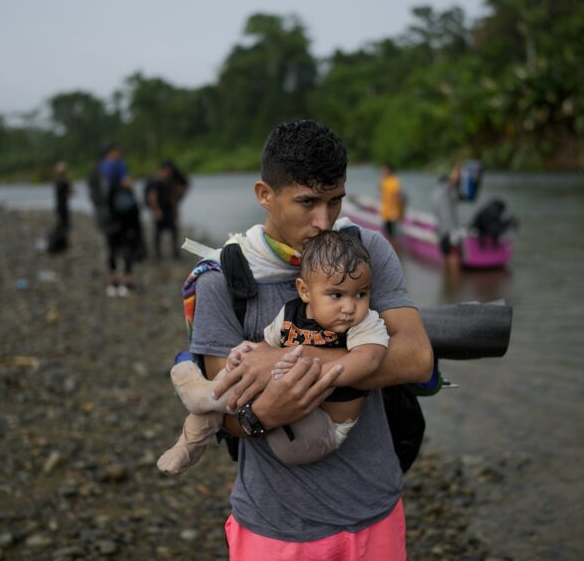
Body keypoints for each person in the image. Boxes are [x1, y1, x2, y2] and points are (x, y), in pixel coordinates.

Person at [181, 120, 433, 559]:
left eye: (335, 201)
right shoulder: (222, 281)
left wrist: (279, 361)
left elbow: (415, 359)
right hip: (275, 527)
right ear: (265, 194)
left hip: (375, 511)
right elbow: (226, 411)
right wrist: (264, 414)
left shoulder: (365, 252)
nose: (323, 221)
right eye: (308, 202)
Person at [158, 229, 389, 474]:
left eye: (361, 294)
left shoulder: (365, 324)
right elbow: (267, 351)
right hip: (287, 406)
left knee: (257, 386)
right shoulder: (290, 313)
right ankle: (188, 443)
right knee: (242, 376)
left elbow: (368, 359)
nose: (350, 307)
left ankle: (203, 393)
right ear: (305, 291)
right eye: (336, 295)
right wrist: (247, 351)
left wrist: (309, 371)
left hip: (322, 431)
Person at [105, 176, 143, 297]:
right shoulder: (124, 195)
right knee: (124, 255)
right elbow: (133, 213)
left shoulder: (115, 193)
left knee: (116, 254)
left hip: (115, 228)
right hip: (123, 230)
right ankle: (122, 281)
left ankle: (118, 281)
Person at [145, 160, 188, 259]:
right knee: (158, 233)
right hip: (160, 210)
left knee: (174, 232)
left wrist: (176, 209)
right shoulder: (155, 181)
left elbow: (173, 197)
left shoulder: (169, 181)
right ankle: (157, 254)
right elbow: (152, 196)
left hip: (169, 210)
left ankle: (175, 253)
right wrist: (156, 210)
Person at [433, 161, 462, 282]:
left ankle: (446, 281)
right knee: (454, 254)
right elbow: (454, 178)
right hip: (451, 230)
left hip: (441, 230)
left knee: (445, 254)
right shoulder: (446, 189)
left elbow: (454, 202)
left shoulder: (436, 194)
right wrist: (457, 167)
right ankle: (454, 282)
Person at [379, 164, 403, 246]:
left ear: (390, 171)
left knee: (393, 235)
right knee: (388, 233)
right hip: (386, 212)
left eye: (385, 170)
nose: (383, 172)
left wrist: (399, 211)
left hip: (392, 213)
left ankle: (397, 253)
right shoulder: (384, 181)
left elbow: (397, 196)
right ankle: (393, 249)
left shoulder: (394, 181)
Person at [53, 161, 74, 234]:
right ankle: (63, 237)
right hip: (63, 205)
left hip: (58, 204)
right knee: (65, 223)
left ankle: (61, 235)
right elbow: (70, 193)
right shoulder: (65, 182)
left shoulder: (56, 181)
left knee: (61, 222)